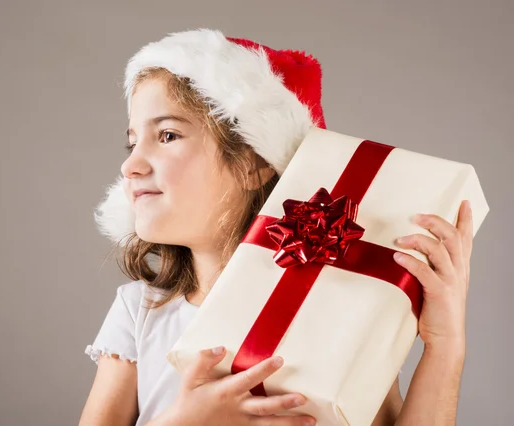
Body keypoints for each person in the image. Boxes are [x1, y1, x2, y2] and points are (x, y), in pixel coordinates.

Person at [79, 29, 473, 426]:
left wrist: (444, 347)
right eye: (132, 143)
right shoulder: (140, 312)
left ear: (255, 162)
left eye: (167, 135)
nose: (131, 165)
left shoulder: (341, 307)